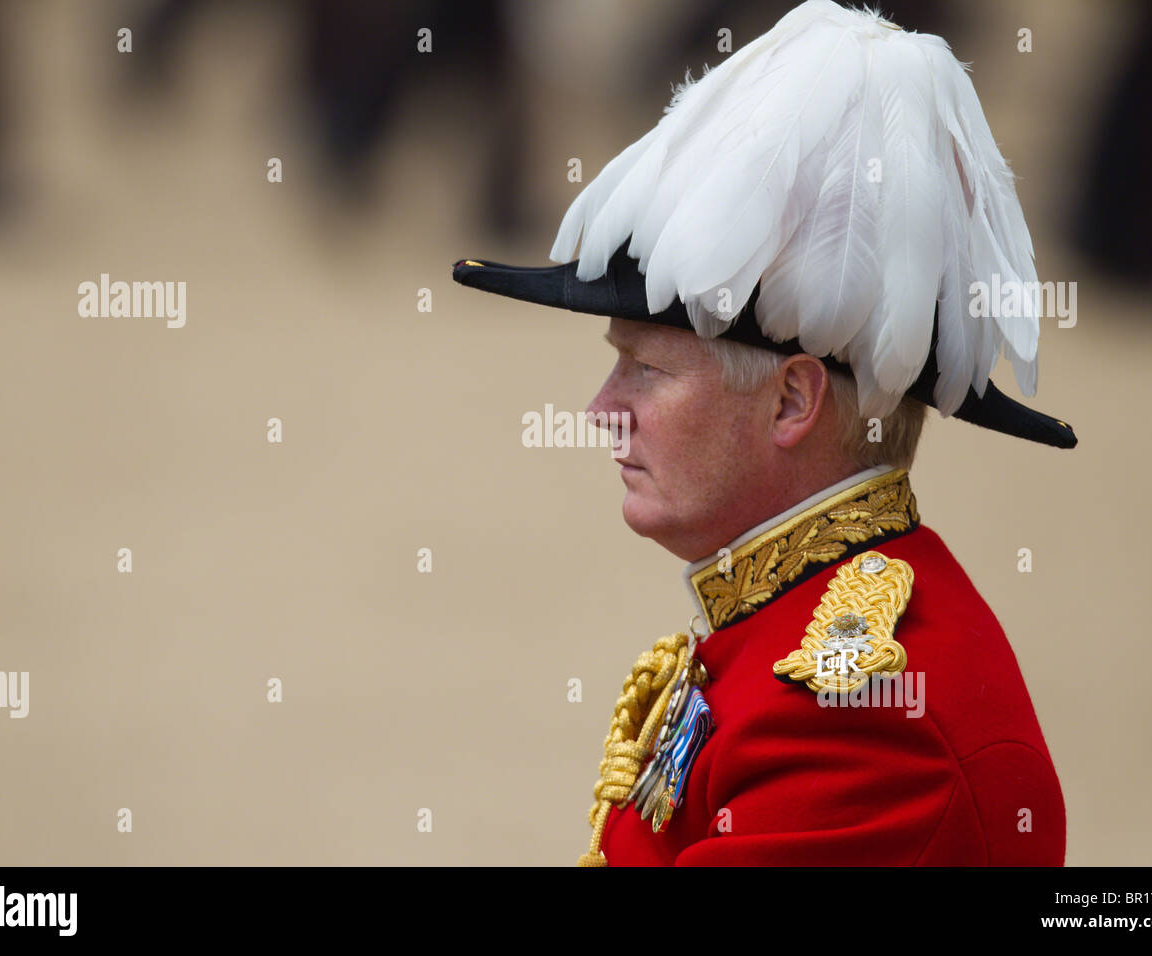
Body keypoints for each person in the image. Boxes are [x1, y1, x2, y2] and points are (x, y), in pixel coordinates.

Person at [452, 0, 1074, 866]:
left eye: (645, 369)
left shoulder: (865, 726)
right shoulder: (790, 628)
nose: (600, 410)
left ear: (792, 402)